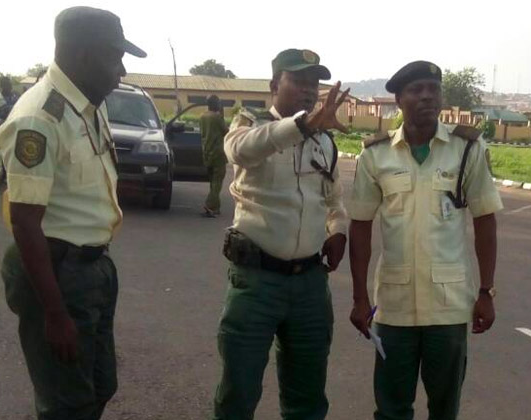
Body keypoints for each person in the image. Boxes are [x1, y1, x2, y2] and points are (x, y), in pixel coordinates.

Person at [0, 6, 146, 419]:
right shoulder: (40, 116)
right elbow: (25, 221)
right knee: (66, 403)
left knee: (99, 386)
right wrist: (55, 312)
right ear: (83, 55)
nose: (120, 71)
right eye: (113, 58)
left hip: (92, 268)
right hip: (57, 272)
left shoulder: (87, 103)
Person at [347, 61, 503, 420]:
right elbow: (359, 226)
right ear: (399, 99)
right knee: (391, 408)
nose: (427, 96)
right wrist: (359, 298)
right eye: (417, 90)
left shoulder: (467, 150)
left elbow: (485, 220)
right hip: (393, 307)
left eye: (434, 88)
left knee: (445, 408)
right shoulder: (376, 154)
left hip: (448, 309)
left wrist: (486, 292)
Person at [213, 48, 350, 420]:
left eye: (314, 84)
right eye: (299, 81)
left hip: (309, 284)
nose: (309, 91)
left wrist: (338, 230)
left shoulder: (324, 143)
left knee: (306, 397)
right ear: (275, 85)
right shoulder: (250, 125)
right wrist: (301, 125)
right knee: (238, 393)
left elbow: (334, 199)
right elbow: (239, 152)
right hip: (256, 282)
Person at [200, 94, 229, 217]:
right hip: (218, 152)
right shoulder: (216, 118)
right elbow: (226, 132)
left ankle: (215, 207)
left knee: (213, 180)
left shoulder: (202, 117)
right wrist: (222, 115)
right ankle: (210, 204)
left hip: (206, 151)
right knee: (218, 181)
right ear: (216, 104)